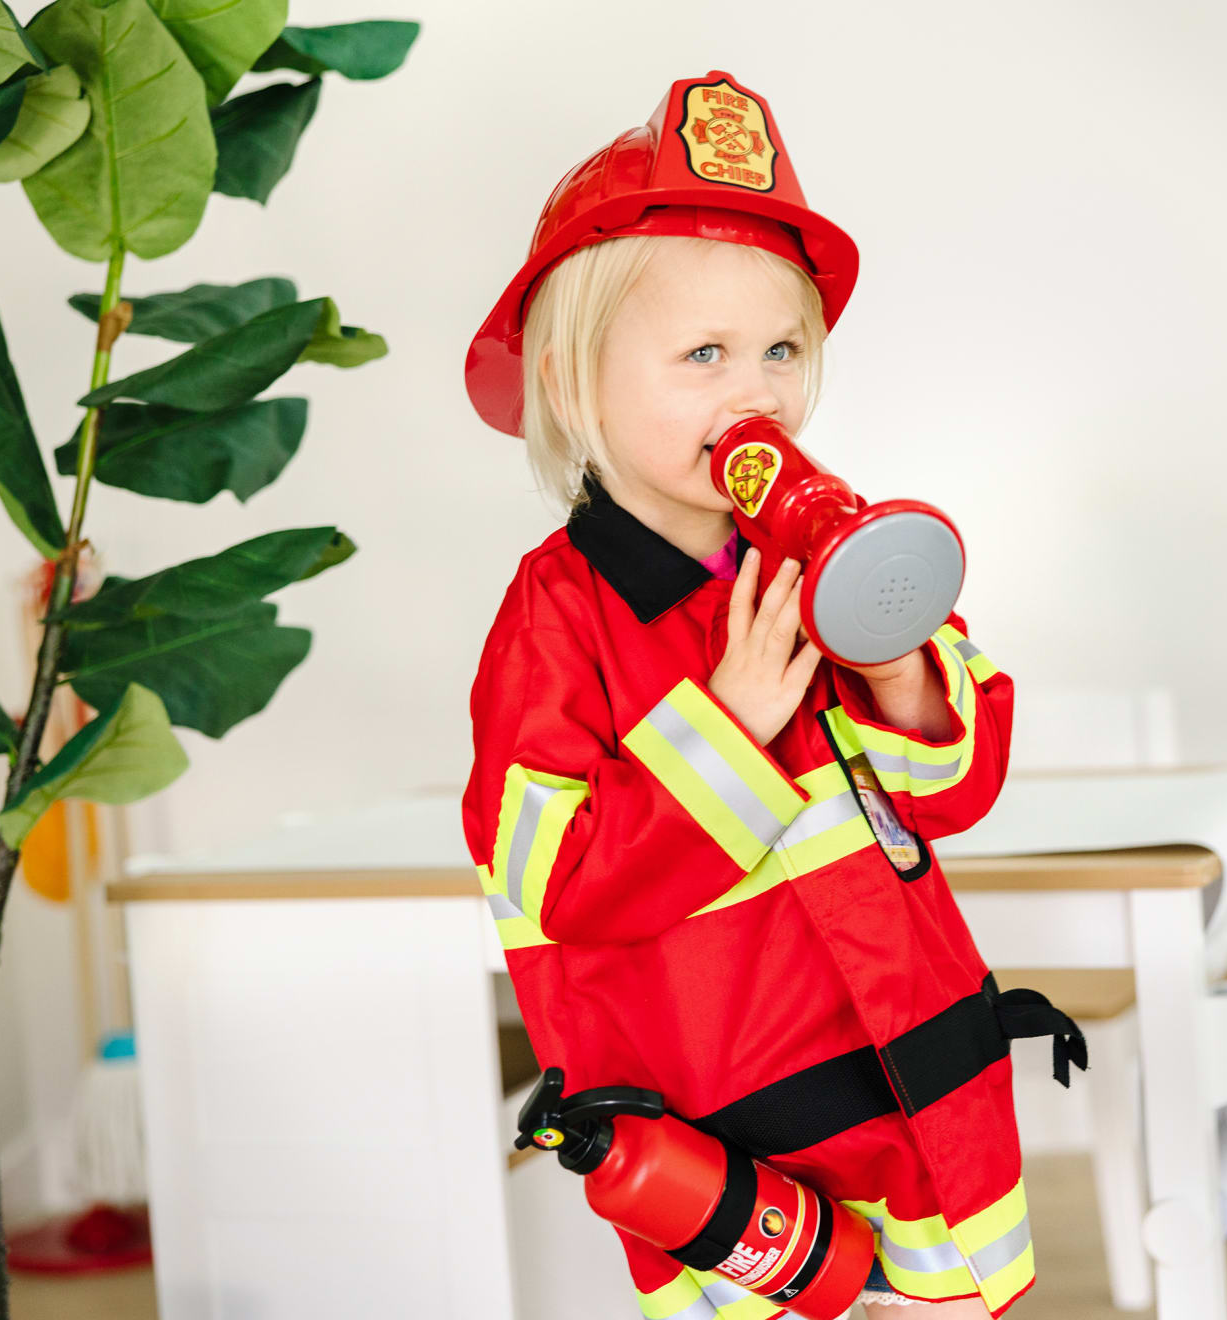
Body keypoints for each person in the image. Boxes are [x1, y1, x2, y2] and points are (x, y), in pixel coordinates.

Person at [462, 70, 1084, 1320]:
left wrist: (902, 669)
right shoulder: (554, 620)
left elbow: (951, 791)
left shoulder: (828, 548)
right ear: (579, 387)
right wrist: (729, 729)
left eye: (782, 350)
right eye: (703, 354)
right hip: (729, 1131)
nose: (756, 389)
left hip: (914, 1075)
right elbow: (559, 889)